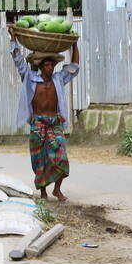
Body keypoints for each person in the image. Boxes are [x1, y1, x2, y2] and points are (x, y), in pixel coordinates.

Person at [8, 24, 79, 201]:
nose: (50, 67)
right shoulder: (30, 78)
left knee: (60, 157)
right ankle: (43, 193)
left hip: (54, 122)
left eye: (52, 64)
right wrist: (13, 38)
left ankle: (57, 189)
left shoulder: (58, 79)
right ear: (40, 66)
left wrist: (74, 45)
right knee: (40, 160)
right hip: (38, 124)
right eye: (46, 64)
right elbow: (17, 60)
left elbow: (75, 66)